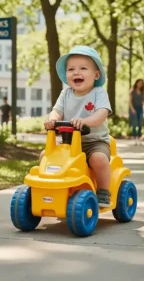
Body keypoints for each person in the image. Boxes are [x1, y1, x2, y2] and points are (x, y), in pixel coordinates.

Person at [43, 45, 112, 208]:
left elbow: (102, 113)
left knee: (99, 159)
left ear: (96, 75)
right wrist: (52, 119)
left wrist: (85, 121)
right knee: (45, 157)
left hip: (94, 142)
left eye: (83, 68)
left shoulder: (98, 92)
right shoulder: (65, 94)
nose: (76, 72)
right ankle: (51, 187)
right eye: (71, 69)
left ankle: (103, 191)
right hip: (69, 144)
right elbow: (57, 111)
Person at [129, 79, 144, 145]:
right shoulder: (132, 91)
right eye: (139, 83)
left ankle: (139, 137)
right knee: (134, 124)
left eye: (141, 83)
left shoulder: (142, 92)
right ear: (136, 83)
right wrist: (132, 109)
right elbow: (130, 101)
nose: (140, 84)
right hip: (134, 108)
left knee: (140, 124)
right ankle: (134, 138)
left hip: (140, 108)